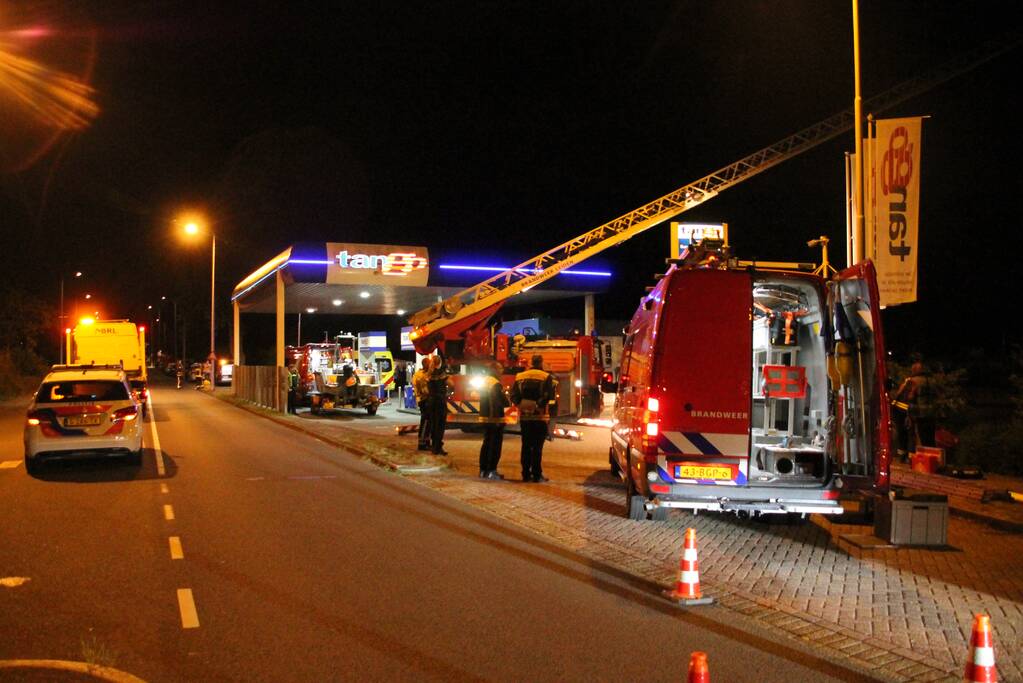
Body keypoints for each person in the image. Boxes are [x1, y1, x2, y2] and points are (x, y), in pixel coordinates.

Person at [511, 354, 558, 482]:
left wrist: (523, 405)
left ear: (531, 362)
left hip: (525, 418)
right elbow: (550, 397)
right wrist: (537, 405)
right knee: (537, 448)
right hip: (540, 417)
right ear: (541, 363)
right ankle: (537, 474)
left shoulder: (520, 376)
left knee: (526, 446)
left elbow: (513, 396)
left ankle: (525, 474)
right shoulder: (546, 377)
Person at [894, 360, 936, 456]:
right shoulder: (932, 381)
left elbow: (907, 397)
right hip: (931, 413)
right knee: (930, 438)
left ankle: (912, 457)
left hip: (917, 413)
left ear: (914, 370)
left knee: (916, 436)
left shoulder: (911, 381)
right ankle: (932, 458)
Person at [478, 361, 510, 480]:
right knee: (495, 446)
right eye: (500, 368)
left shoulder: (485, 381)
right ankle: (492, 470)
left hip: (485, 417)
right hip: (494, 419)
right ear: (495, 370)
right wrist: (497, 419)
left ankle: (483, 470)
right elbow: (496, 402)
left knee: (486, 444)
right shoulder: (495, 384)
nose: (502, 371)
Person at [426, 356, 453, 455]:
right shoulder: (441, 373)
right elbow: (451, 384)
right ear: (440, 362)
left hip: (431, 401)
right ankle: (438, 447)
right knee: (440, 425)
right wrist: (449, 392)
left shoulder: (429, 374)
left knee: (433, 424)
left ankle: (434, 446)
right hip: (440, 401)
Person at [412, 357, 433, 451]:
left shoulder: (418, 374)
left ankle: (426, 442)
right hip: (424, 400)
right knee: (425, 421)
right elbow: (425, 390)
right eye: (430, 364)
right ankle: (422, 443)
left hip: (423, 399)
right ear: (425, 364)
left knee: (428, 422)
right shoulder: (421, 375)